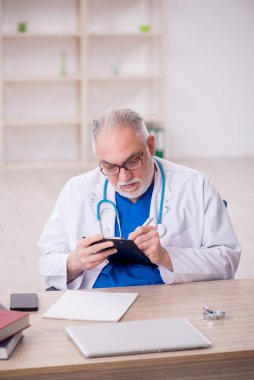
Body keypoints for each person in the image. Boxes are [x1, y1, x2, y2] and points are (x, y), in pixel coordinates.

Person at [38, 108, 241, 290]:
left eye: (133, 161)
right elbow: (46, 265)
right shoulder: (76, 190)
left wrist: (167, 257)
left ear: (151, 146)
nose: (124, 177)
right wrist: (75, 261)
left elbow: (227, 261)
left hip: (168, 299)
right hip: (99, 300)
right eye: (110, 167)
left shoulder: (195, 185)